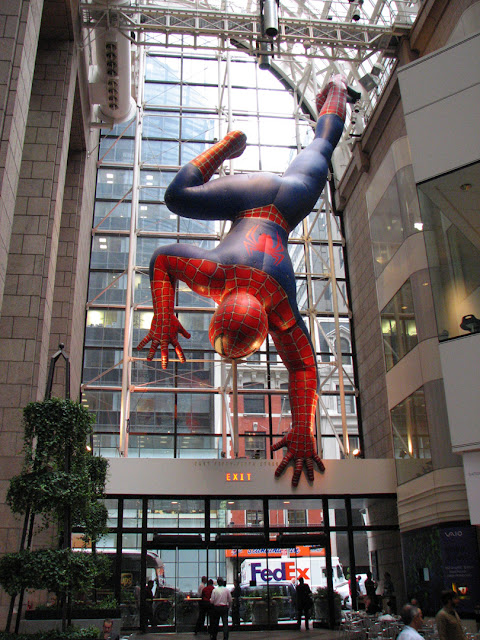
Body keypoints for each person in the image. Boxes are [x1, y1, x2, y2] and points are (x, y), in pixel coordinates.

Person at [137, 74, 360, 487]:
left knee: (322, 146)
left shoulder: (279, 307)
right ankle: (226, 145)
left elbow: (304, 368)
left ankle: (337, 90)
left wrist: (302, 433)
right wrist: (163, 319)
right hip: (252, 198)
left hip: (287, 201)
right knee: (177, 196)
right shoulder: (217, 278)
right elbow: (163, 259)